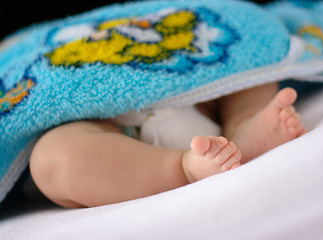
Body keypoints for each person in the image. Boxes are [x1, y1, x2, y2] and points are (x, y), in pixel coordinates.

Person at [29, 82, 306, 208]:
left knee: (248, 66)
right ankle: (182, 168)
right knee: (51, 159)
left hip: (195, 93)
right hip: (115, 134)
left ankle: (244, 124)